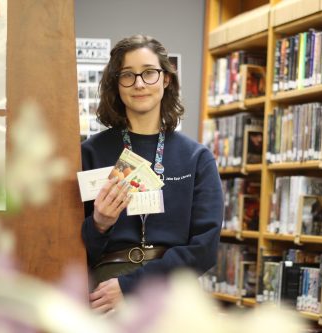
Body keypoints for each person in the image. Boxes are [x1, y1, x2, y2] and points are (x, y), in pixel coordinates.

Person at [80, 34, 224, 313]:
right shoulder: (90, 153)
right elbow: (70, 249)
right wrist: (98, 225)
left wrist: (132, 287)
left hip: (172, 292)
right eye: (128, 75)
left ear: (166, 79)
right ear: (116, 83)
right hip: (106, 295)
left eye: (149, 73)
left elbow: (205, 249)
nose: (139, 84)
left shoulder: (197, 158)